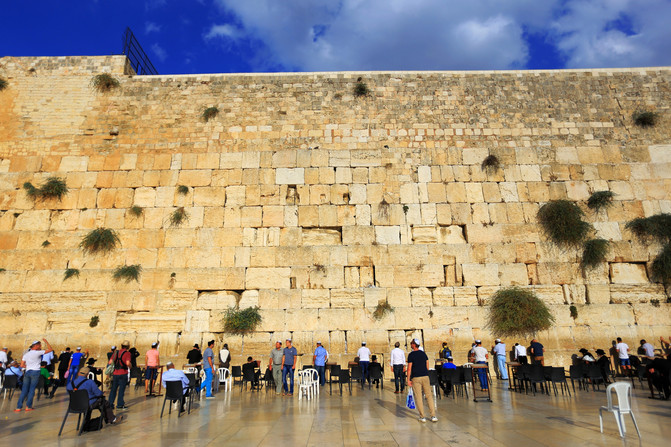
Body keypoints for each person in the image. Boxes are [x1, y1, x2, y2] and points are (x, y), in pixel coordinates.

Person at [15, 339, 53, 412]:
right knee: (32, 389)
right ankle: (28, 406)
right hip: (35, 372)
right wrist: (46, 342)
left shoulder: (26, 354)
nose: (41, 346)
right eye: (40, 345)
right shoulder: (38, 353)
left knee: (24, 390)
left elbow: (22, 365)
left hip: (28, 372)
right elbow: (50, 349)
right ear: (36, 346)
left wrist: (29, 366)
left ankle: (18, 407)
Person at [406, 339, 437, 423]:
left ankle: (422, 417)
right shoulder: (423, 354)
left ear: (414, 345)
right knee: (429, 396)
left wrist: (408, 379)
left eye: (411, 343)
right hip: (425, 376)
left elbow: (409, 368)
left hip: (416, 377)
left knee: (419, 397)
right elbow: (427, 365)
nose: (410, 344)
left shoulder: (411, 355)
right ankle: (433, 416)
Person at [108, 340, 132, 410]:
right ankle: (120, 404)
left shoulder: (116, 352)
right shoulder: (127, 353)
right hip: (123, 373)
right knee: (121, 389)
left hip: (115, 373)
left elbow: (110, 362)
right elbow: (127, 363)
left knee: (113, 389)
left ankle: (110, 404)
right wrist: (130, 366)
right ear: (128, 347)